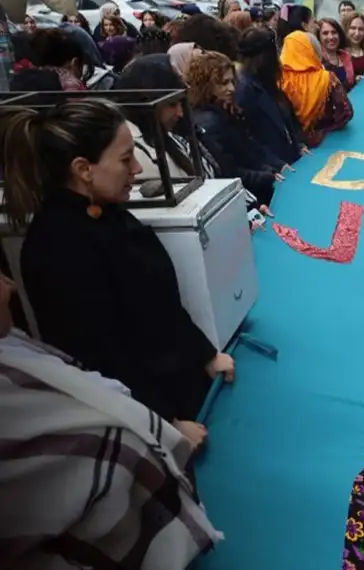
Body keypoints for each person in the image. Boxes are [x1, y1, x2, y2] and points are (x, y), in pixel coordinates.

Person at [0, 98, 235, 442]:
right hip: (150, 417)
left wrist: (205, 355)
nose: (137, 169)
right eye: (125, 159)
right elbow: (101, 358)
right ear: (84, 169)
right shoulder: (56, 248)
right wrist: (164, 422)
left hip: (181, 385)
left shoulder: (106, 212)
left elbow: (158, 304)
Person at [0, 269, 223, 570]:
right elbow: (102, 346)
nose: (10, 285)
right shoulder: (56, 257)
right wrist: (163, 417)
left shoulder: (14, 345)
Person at [186, 50, 286, 209]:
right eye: (223, 83)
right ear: (206, 86)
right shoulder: (209, 122)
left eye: (232, 81)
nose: (232, 88)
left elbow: (250, 150)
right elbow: (229, 171)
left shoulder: (226, 110)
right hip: (250, 199)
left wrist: (273, 168)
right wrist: (268, 176)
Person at [113, 54, 219, 181]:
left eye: (180, 103)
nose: (180, 113)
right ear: (146, 102)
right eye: (172, 104)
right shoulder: (135, 151)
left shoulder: (171, 135)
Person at [236, 27, 307, 164]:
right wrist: (276, 164)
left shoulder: (268, 82)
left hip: (290, 160)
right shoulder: (245, 90)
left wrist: (298, 145)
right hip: (275, 167)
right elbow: (249, 139)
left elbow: (288, 123)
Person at [279, 31, 354, 148]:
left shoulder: (280, 81)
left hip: (292, 148)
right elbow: (346, 113)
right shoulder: (327, 78)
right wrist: (325, 130)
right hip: (326, 144)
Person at [318, 18, 354, 88]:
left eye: (334, 32)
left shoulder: (346, 57)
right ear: (318, 37)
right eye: (325, 33)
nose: (331, 37)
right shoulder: (317, 61)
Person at [342, 11, 364, 80]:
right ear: (346, 29)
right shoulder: (340, 54)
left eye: (361, 29)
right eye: (353, 28)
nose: (357, 33)